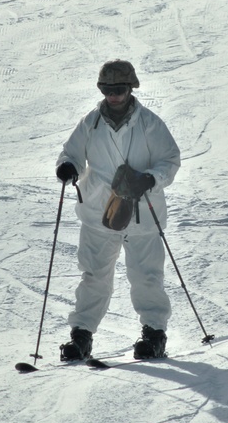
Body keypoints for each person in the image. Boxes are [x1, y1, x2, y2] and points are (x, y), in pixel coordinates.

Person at [55, 60, 181, 361]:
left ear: (130, 89)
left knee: (146, 276)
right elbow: (71, 152)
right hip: (99, 212)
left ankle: (154, 334)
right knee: (93, 275)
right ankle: (82, 335)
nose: (113, 96)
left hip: (143, 214)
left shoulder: (150, 123)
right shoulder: (90, 123)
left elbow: (170, 160)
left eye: (119, 89)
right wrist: (68, 167)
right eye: (107, 89)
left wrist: (149, 179)